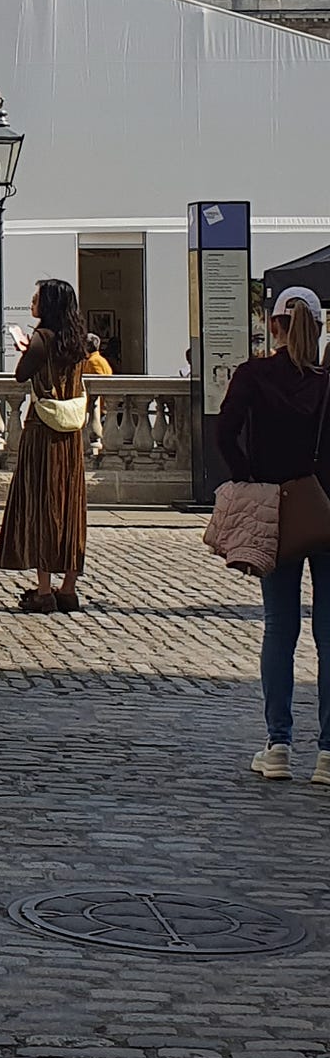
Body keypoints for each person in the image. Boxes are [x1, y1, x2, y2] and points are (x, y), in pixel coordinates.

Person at [216, 286, 330, 784]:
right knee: (329, 633)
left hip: (275, 508)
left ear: (275, 325)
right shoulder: (327, 382)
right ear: (318, 328)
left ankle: (279, 743)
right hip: (326, 510)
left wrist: (248, 475)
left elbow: (225, 431)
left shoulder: (255, 374)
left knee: (280, 628)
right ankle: (328, 753)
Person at [0, 277, 90, 613]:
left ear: (47, 305)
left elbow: (22, 375)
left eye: (36, 298)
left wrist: (25, 347)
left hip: (43, 428)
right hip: (71, 432)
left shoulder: (41, 338)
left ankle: (45, 590)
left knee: (43, 503)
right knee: (71, 504)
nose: (32, 302)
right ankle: (69, 587)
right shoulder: (80, 341)